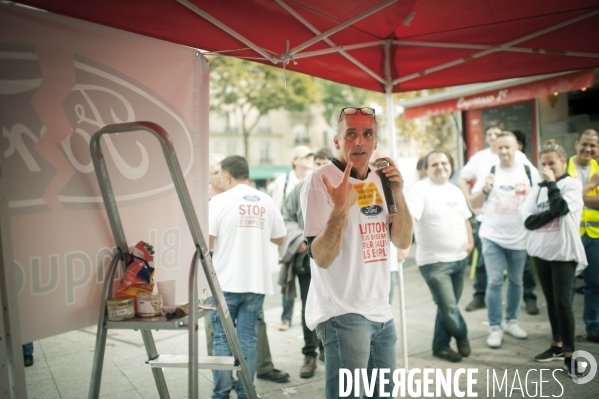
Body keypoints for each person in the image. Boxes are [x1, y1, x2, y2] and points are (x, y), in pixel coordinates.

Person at [301, 107, 413, 398]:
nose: (359, 141)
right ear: (337, 141)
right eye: (351, 133)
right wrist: (340, 209)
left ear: (376, 141)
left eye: (367, 133)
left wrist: (399, 192)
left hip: (381, 310)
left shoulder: (382, 179)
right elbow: (323, 257)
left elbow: (402, 241)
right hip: (342, 312)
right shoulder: (321, 180)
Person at [208, 155, 287, 399]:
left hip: (225, 282)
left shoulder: (218, 201)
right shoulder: (265, 200)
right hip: (256, 282)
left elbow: (208, 243)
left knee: (222, 340)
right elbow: (280, 237)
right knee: (248, 341)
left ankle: (220, 395)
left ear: (228, 176)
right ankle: (246, 393)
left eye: (220, 174)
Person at [521, 140, 587, 377]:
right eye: (544, 164)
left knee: (563, 302)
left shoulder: (571, 184)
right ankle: (557, 345)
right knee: (550, 301)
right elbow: (528, 221)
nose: (547, 167)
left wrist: (550, 183)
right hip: (541, 252)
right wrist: (549, 213)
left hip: (564, 251)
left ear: (562, 161)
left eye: (552, 163)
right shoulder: (535, 189)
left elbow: (560, 207)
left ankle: (570, 355)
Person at [469, 131, 540, 349]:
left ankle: (511, 321)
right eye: (500, 147)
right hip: (492, 237)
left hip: (519, 238)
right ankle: (495, 327)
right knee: (494, 281)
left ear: (517, 147)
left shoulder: (529, 171)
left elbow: (540, 200)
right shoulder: (490, 172)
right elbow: (473, 202)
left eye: (508, 147)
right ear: (496, 149)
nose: (504, 151)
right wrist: (486, 188)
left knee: (517, 281)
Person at [407, 150, 474, 363]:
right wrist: (404, 245)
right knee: (450, 308)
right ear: (426, 169)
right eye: (434, 164)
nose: (440, 167)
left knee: (447, 307)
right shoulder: (419, 189)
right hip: (434, 262)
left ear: (451, 165)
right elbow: (412, 219)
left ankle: (440, 346)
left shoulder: (455, 190)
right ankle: (462, 335)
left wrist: (470, 241)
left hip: (459, 259)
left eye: (444, 162)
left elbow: (465, 219)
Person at [278, 147, 332, 379]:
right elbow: (286, 217)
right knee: (308, 308)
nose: (320, 165)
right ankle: (309, 354)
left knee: (331, 308)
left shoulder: (340, 188)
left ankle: (325, 349)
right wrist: (299, 237)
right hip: (306, 261)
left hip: (333, 262)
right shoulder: (300, 189)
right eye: (316, 161)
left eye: (324, 162)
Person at [270, 145, 314, 331]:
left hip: (309, 243)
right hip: (291, 237)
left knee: (307, 290)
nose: (307, 160)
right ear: (295, 160)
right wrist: (292, 238)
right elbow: (278, 212)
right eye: (304, 157)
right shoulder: (284, 181)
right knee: (288, 274)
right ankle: (286, 317)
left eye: (309, 157)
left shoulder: (314, 180)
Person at [566, 129, 599, 343]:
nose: (588, 149)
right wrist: (593, 186)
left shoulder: (598, 167)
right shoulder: (565, 166)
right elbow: (564, 198)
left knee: (595, 284)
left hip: (595, 235)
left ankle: (594, 328)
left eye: (593, 146)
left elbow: (572, 197)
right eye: (585, 144)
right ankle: (564, 332)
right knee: (567, 286)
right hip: (571, 236)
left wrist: (578, 195)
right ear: (576, 143)